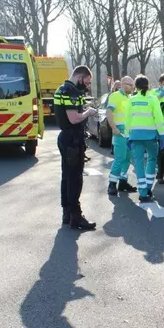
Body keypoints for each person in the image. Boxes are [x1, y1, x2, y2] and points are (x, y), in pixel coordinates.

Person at [54, 65, 98, 230]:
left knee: (67, 177)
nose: (87, 85)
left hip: (66, 138)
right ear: (80, 76)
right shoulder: (71, 92)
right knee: (75, 178)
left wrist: (83, 110)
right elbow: (73, 118)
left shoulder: (62, 89)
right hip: (72, 139)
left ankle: (67, 214)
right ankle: (76, 216)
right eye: (87, 80)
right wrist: (89, 113)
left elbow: (70, 113)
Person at [125, 75, 164, 202]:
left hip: (135, 136)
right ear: (148, 86)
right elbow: (159, 118)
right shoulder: (153, 99)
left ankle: (142, 192)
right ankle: (148, 187)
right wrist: (162, 135)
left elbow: (128, 119)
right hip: (150, 136)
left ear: (135, 87)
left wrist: (127, 136)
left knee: (139, 163)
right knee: (152, 160)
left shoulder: (131, 100)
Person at [106, 76, 137, 196]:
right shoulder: (115, 96)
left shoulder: (129, 98)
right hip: (120, 132)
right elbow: (109, 112)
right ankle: (112, 184)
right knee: (119, 158)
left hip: (129, 133)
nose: (132, 88)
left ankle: (123, 182)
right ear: (124, 84)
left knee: (127, 159)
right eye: (131, 85)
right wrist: (114, 128)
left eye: (133, 85)